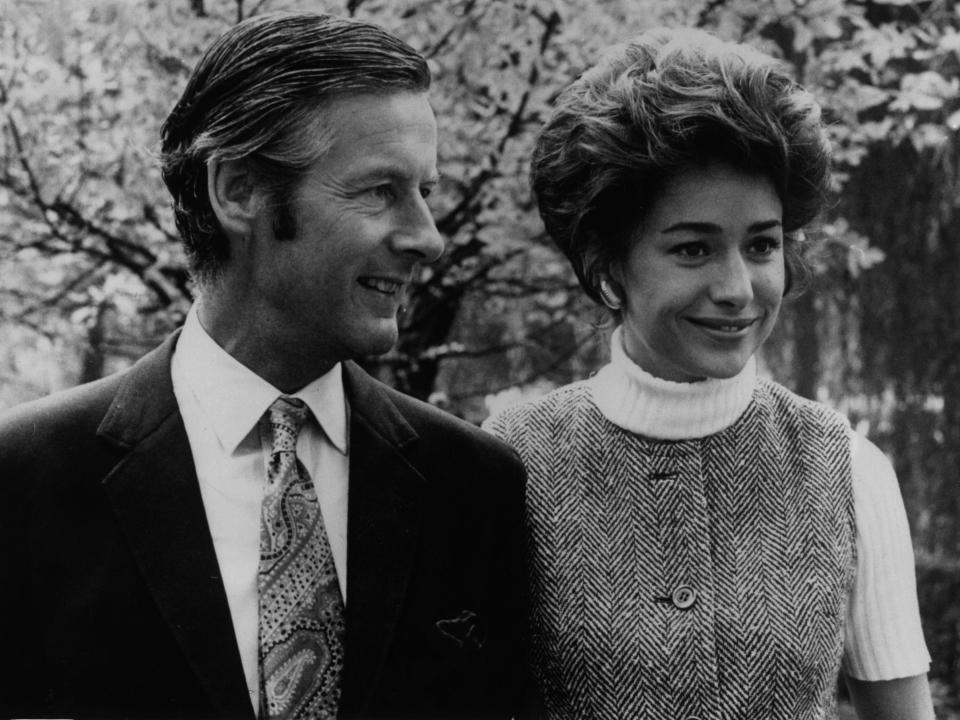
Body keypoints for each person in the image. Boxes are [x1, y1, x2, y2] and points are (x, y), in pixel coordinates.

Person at [0, 12, 530, 720]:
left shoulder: (474, 486)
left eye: (425, 192)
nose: (428, 239)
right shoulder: (24, 480)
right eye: (380, 190)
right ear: (240, 191)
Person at [484, 27, 935, 720]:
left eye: (761, 245)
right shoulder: (508, 463)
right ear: (609, 264)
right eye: (692, 248)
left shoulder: (847, 468)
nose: (738, 287)